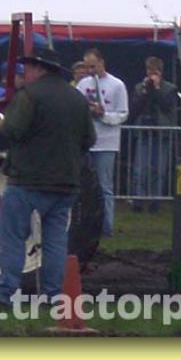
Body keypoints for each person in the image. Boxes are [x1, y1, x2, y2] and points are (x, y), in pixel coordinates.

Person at [0, 47, 96, 305]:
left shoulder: (30, 95)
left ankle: (7, 294)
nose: (24, 72)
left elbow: (14, 129)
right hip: (65, 182)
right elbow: (89, 139)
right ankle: (53, 295)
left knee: (12, 238)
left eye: (27, 67)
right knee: (55, 242)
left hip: (27, 180)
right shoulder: (77, 99)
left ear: (38, 68)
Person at [76, 48, 128, 237]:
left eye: (93, 66)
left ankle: (107, 227)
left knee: (104, 186)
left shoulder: (117, 85)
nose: (90, 70)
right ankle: (85, 226)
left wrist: (103, 115)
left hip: (107, 143)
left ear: (102, 63)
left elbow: (123, 114)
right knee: (83, 186)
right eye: (87, 67)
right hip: (86, 142)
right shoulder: (83, 85)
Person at [129, 56, 178, 213]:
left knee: (159, 170)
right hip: (143, 131)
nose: (151, 74)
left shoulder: (170, 89)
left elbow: (167, 107)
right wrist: (145, 91)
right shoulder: (139, 87)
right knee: (140, 169)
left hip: (162, 134)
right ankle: (138, 201)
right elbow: (135, 109)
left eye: (154, 71)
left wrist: (156, 89)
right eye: (149, 70)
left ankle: (154, 202)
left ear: (161, 72)